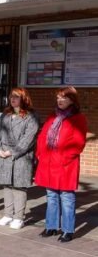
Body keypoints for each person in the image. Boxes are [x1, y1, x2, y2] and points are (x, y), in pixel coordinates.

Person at [35, 86, 88, 242]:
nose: (60, 100)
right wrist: (40, 154)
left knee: (66, 197)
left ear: (72, 100)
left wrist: (64, 158)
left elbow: (78, 143)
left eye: (64, 97)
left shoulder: (78, 118)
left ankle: (67, 230)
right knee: (51, 196)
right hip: (48, 163)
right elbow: (42, 137)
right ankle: (51, 226)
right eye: (58, 97)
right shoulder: (53, 116)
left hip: (65, 165)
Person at [0, 88, 39, 230]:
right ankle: (7, 214)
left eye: (16, 97)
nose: (12, 99)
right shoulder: (6, 114)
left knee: (19, 187)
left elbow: (28, 139)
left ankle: (19, 217)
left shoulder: (31, 116)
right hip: (3, 155)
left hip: (21, 157)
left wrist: (11, 152)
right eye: (11, 96)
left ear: (24, 99)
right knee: (7, 185)